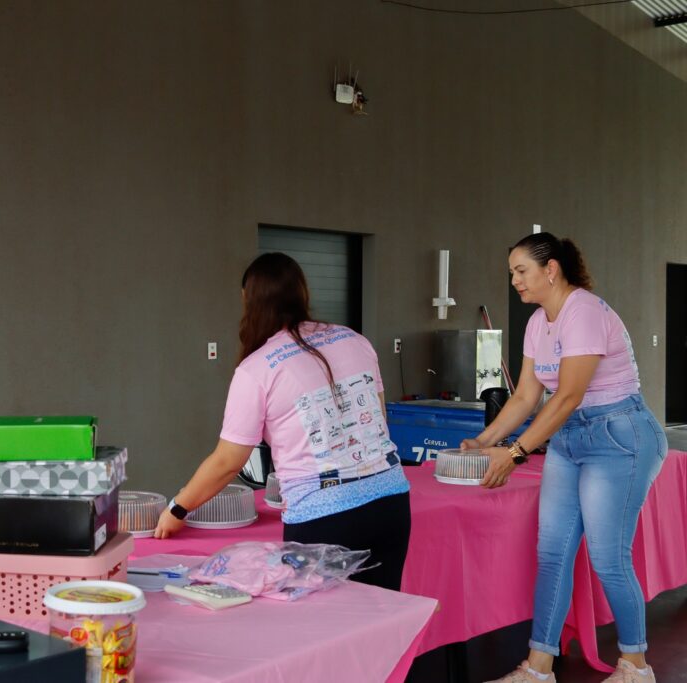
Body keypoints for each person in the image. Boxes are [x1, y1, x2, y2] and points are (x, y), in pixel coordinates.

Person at [470, 233, 667, 683]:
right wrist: (484, 442)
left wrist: (515, 453)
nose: (516, 281)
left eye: (521, 271)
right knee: (552, 553)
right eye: (512, 273)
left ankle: (636, 666)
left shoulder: (585, 312)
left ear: (551, 269)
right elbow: (524, 397)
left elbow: (569, 395)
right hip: (570, 438)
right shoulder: (539, 322)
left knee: (607, 557)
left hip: (619, 436)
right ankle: (538, 669)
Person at [154, 252, 412, 591]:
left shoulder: (257, 369)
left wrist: (177, 509)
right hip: (391, 501)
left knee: (319, 628)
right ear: (302, 293)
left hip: (324, 517)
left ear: (250, 302)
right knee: (380, 616)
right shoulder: (354, 340)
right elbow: (378, 418)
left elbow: (228, 461)